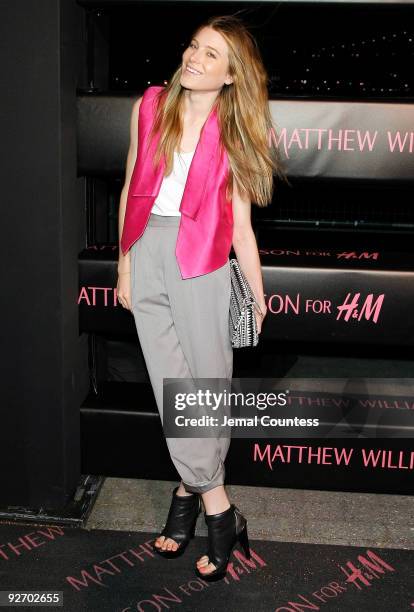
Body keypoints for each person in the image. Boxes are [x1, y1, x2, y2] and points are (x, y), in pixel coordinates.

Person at [116, 14, 287, 581]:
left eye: (212, 54)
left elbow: (240, 224)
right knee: (174, 392)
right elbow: (129, 186)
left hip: (204, 265)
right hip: (148, 252)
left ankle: (194, 502)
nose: (195, 58)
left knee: (205, 392)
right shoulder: (150, 104)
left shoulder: (235, 130)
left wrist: (258, 294)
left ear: (232, 75)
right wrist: (124, 265)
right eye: (194, 46)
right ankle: (221, 510)